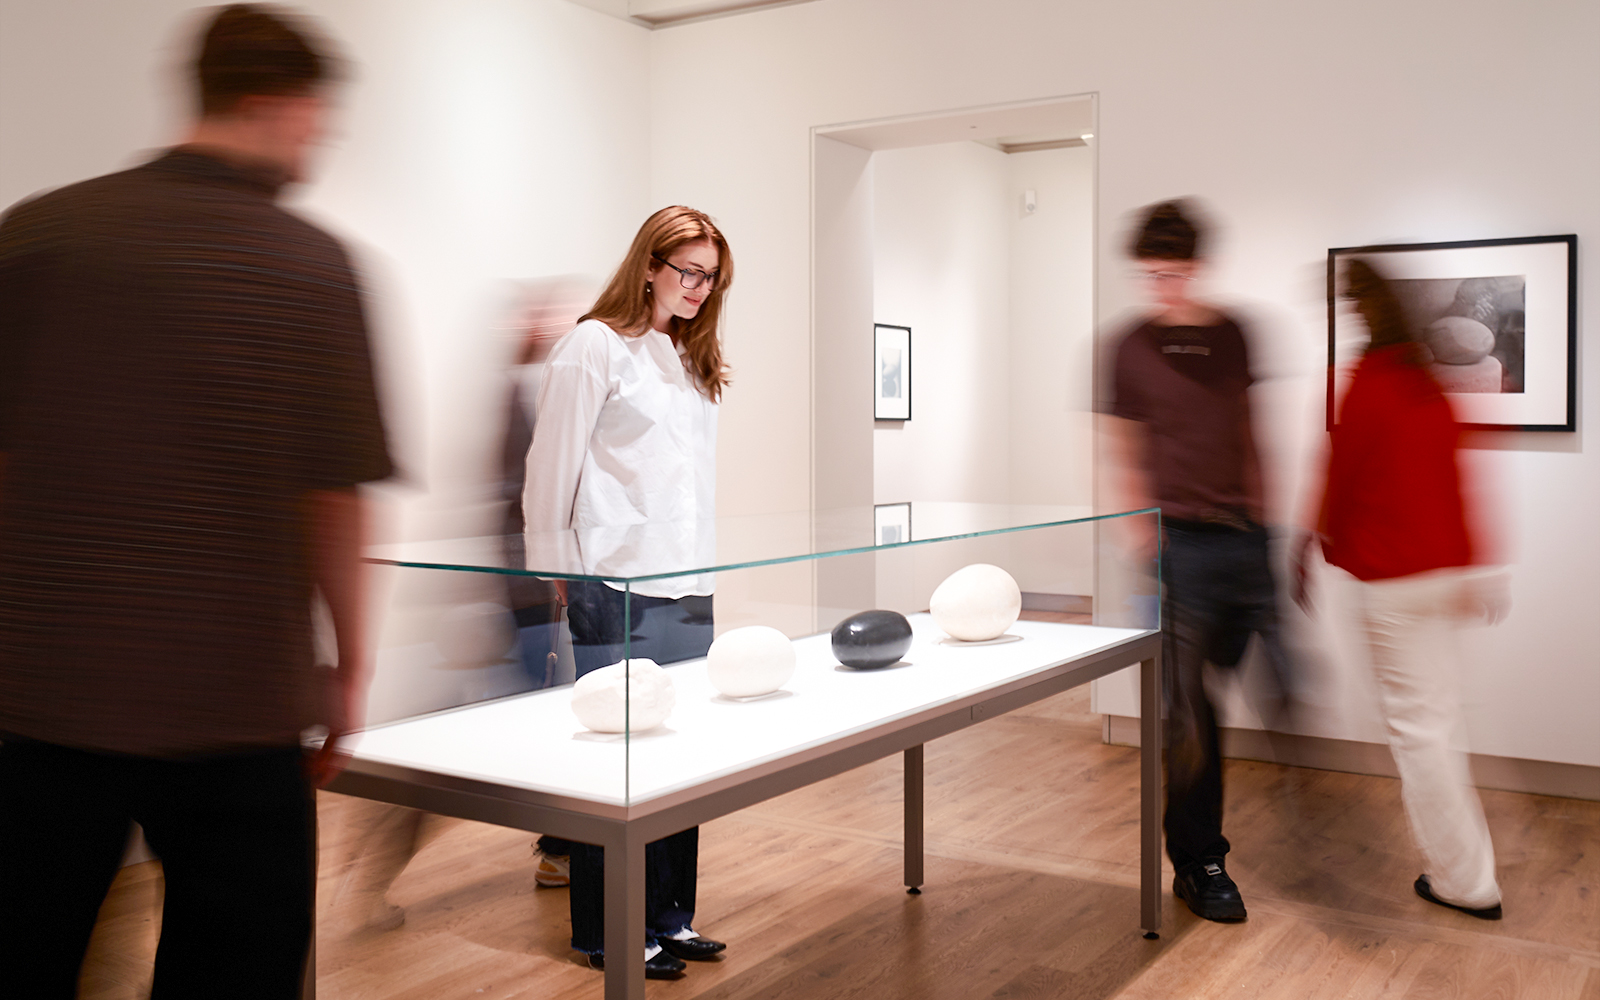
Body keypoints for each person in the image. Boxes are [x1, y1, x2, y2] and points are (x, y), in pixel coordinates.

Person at [0, 6, 391, 996]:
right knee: (237, 977)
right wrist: (348, 667)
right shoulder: (309, 262)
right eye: (315, 123)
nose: (315, 146)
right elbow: (333, 496)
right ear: (274, 104)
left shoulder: (37, 233)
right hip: (238, 708)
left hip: (40, 697)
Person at [523, 206, 731, 978]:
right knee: (617, 762)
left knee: (679, 756)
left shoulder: (690, 357)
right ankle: (611, 930)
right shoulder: (593, 346)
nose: (701, 289)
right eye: (689, 271)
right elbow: (552, 465)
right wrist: (549, 565)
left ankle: (670, 918)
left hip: (688, 580)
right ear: (649, 265)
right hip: (612, 582)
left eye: (712, 277)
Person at [1294, 257, 1508, 920]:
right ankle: (1467, 871)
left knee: (1420, 733)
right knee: (1438, 723)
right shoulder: (1427, 387)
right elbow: (1457, 482)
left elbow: (1340, 475)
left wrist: (1308, 548)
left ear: (1363, 312)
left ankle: (1465, 882)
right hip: (1440, 575)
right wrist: (1477, 567)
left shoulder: (1367, 385)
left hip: (1393, 581)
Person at [1104, 199, 1292, 923]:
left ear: (1199, 267)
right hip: (1174, 547)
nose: (1164, 287)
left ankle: (1266, 831)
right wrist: (1135, 527)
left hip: (1244, 537)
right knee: (1185, 719)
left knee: (1267, 687)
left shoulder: (1238, 335)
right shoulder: (1127, 346)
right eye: (1152, 275)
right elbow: (1119, 442)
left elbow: (1251, 429)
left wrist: (1269, 524)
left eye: (1175, 273)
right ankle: (1200, 861)